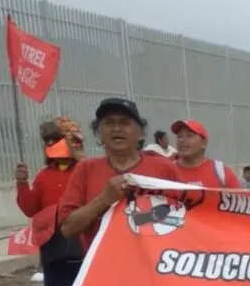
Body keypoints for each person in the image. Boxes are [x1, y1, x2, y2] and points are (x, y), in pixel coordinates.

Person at [59, 98, 180, 250]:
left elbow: (187, 219)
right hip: (103, 269)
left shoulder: (164, 168)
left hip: (155, 268)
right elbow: (67, 229)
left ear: (141, 133)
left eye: (125, 123)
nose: (117, 129)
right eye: (109, 123)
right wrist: (103, 200)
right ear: (99, 133)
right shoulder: (85, 169)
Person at [15, 117, 86, 286]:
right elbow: (30, 208)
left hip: (85, 249)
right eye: (47, 141)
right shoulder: (43, 177)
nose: (50, 145)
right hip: (53, 251)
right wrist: (21, 184)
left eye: (56, 139)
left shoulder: (87, 170)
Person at [170, 119, 239, 189]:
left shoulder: (222, 172)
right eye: (179, 136)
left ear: (204, 143)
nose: (181, 140)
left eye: (189, 136)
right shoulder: (167, 171)